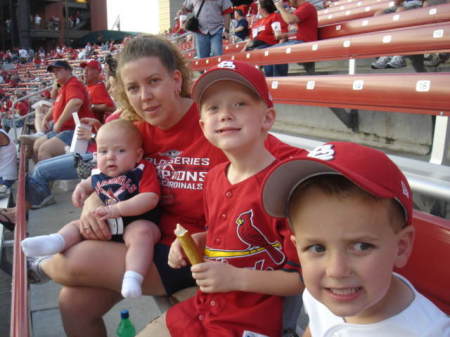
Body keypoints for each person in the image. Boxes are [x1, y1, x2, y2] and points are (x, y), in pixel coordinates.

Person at [139, 60, 306, 336]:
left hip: (251, 323)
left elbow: (300, 279)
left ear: (267, 118)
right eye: (214, 107)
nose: (226, 114)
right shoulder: (215, 177)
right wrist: (197, 241)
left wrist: (236, 278)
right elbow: (224, 235)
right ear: (203, 125)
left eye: (240, 104)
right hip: (206, 309)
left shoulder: (285, 186)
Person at [262, 141, 450, 337]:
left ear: (401, 247)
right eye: (317, 248)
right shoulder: (323, 293)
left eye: (361, 246)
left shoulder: (431, 332)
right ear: (297, 248)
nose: (336, 271)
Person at [22, 119, 161, 298]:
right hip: (107, 224)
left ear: (138, 155)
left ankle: (133, 276)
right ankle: (55, 241)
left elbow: (150, 198)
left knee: (142, 234)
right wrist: (80, 189)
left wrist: (117, 209)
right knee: (76, 225)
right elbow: (90, 183)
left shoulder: (141, 171)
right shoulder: (100, 173)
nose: (110, 156)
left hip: (137, 220)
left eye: (120, 150)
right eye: (103, 151)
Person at [20, 60, 94, 162]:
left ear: (69, 71)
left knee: (44, 149)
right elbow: (55, 104)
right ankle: (41, 174)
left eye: (58, 70)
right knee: (37, 144)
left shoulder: (73, 84)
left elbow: (76, 102)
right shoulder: (64, 86)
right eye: (53, 71)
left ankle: (47, 175)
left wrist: (59, 122)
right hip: (64, 130)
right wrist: (46, 118)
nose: (55, 73)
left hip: (76, 131)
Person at [244, 0, 289, 76]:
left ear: (262, 8)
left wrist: (279, 48)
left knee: (261, 52)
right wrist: (244, 49)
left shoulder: (275, 16)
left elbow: (281, 34)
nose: (257, 9)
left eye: (258, 6)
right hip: (256, 47)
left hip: (270, 46)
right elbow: (252, 39)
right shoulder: (258, 22)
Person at [273, 0, 318, 75]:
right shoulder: (299, 9)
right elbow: (298, 31)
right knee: (270, 51)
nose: (287, 3)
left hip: (304, 43)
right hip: (298, 41)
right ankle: (276, 81)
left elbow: (290, 20)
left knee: (274, 51)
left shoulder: (307, 6)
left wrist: (281, 8)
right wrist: (285, 35)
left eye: (288, 1)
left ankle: (279, 81)